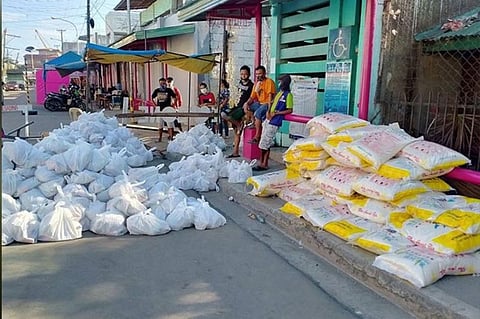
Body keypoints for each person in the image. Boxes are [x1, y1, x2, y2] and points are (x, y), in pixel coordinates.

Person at [253, 74, 293, 171]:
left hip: (275, 121)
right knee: (264, 142)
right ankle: (262, 162)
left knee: (265, 143)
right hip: (269, 119)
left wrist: (278, 113)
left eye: (281, 82)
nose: (279, 84)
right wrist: (268, 112)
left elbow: (290, 110)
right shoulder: (279, 93)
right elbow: (272, 103)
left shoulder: (288, 95)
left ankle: (264, 163)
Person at [224, 65, 254, 158]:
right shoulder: (239, 83)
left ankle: (238, 124)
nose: (243, 76)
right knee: (223, 115)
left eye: (245, 74)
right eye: (241, 74)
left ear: (249, 74)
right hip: (236, 107)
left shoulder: (251, 86)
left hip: (243, 108)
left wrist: (248, 110)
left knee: (230, 119)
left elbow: (252, 98)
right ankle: (235, 152)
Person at [243, 65, 276, 145]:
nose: (258, 76)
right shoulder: (257, 84)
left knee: (257, 113)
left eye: (260, 74)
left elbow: (270, 97)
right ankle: (254, 123)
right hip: (260, 104)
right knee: (248, 107)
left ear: (264, 73)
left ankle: (257, 136)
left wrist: (268, 110)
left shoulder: (269, 82)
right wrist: (246, 103)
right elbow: (252, 97)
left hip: (268, 103)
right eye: (257, 74)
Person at [152, 77, 177, 142]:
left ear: (165, 83)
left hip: (168, 109)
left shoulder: (169, 90)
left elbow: (175, 97)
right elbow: (152, 98)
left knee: (170, 124)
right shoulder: (157, 90)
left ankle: (171, 138)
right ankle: (159, 138)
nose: (162, 85)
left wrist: (173, 105)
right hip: (159, 109)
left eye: (163, 83)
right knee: (160, 125)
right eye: (161, 83)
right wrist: (155, 105)